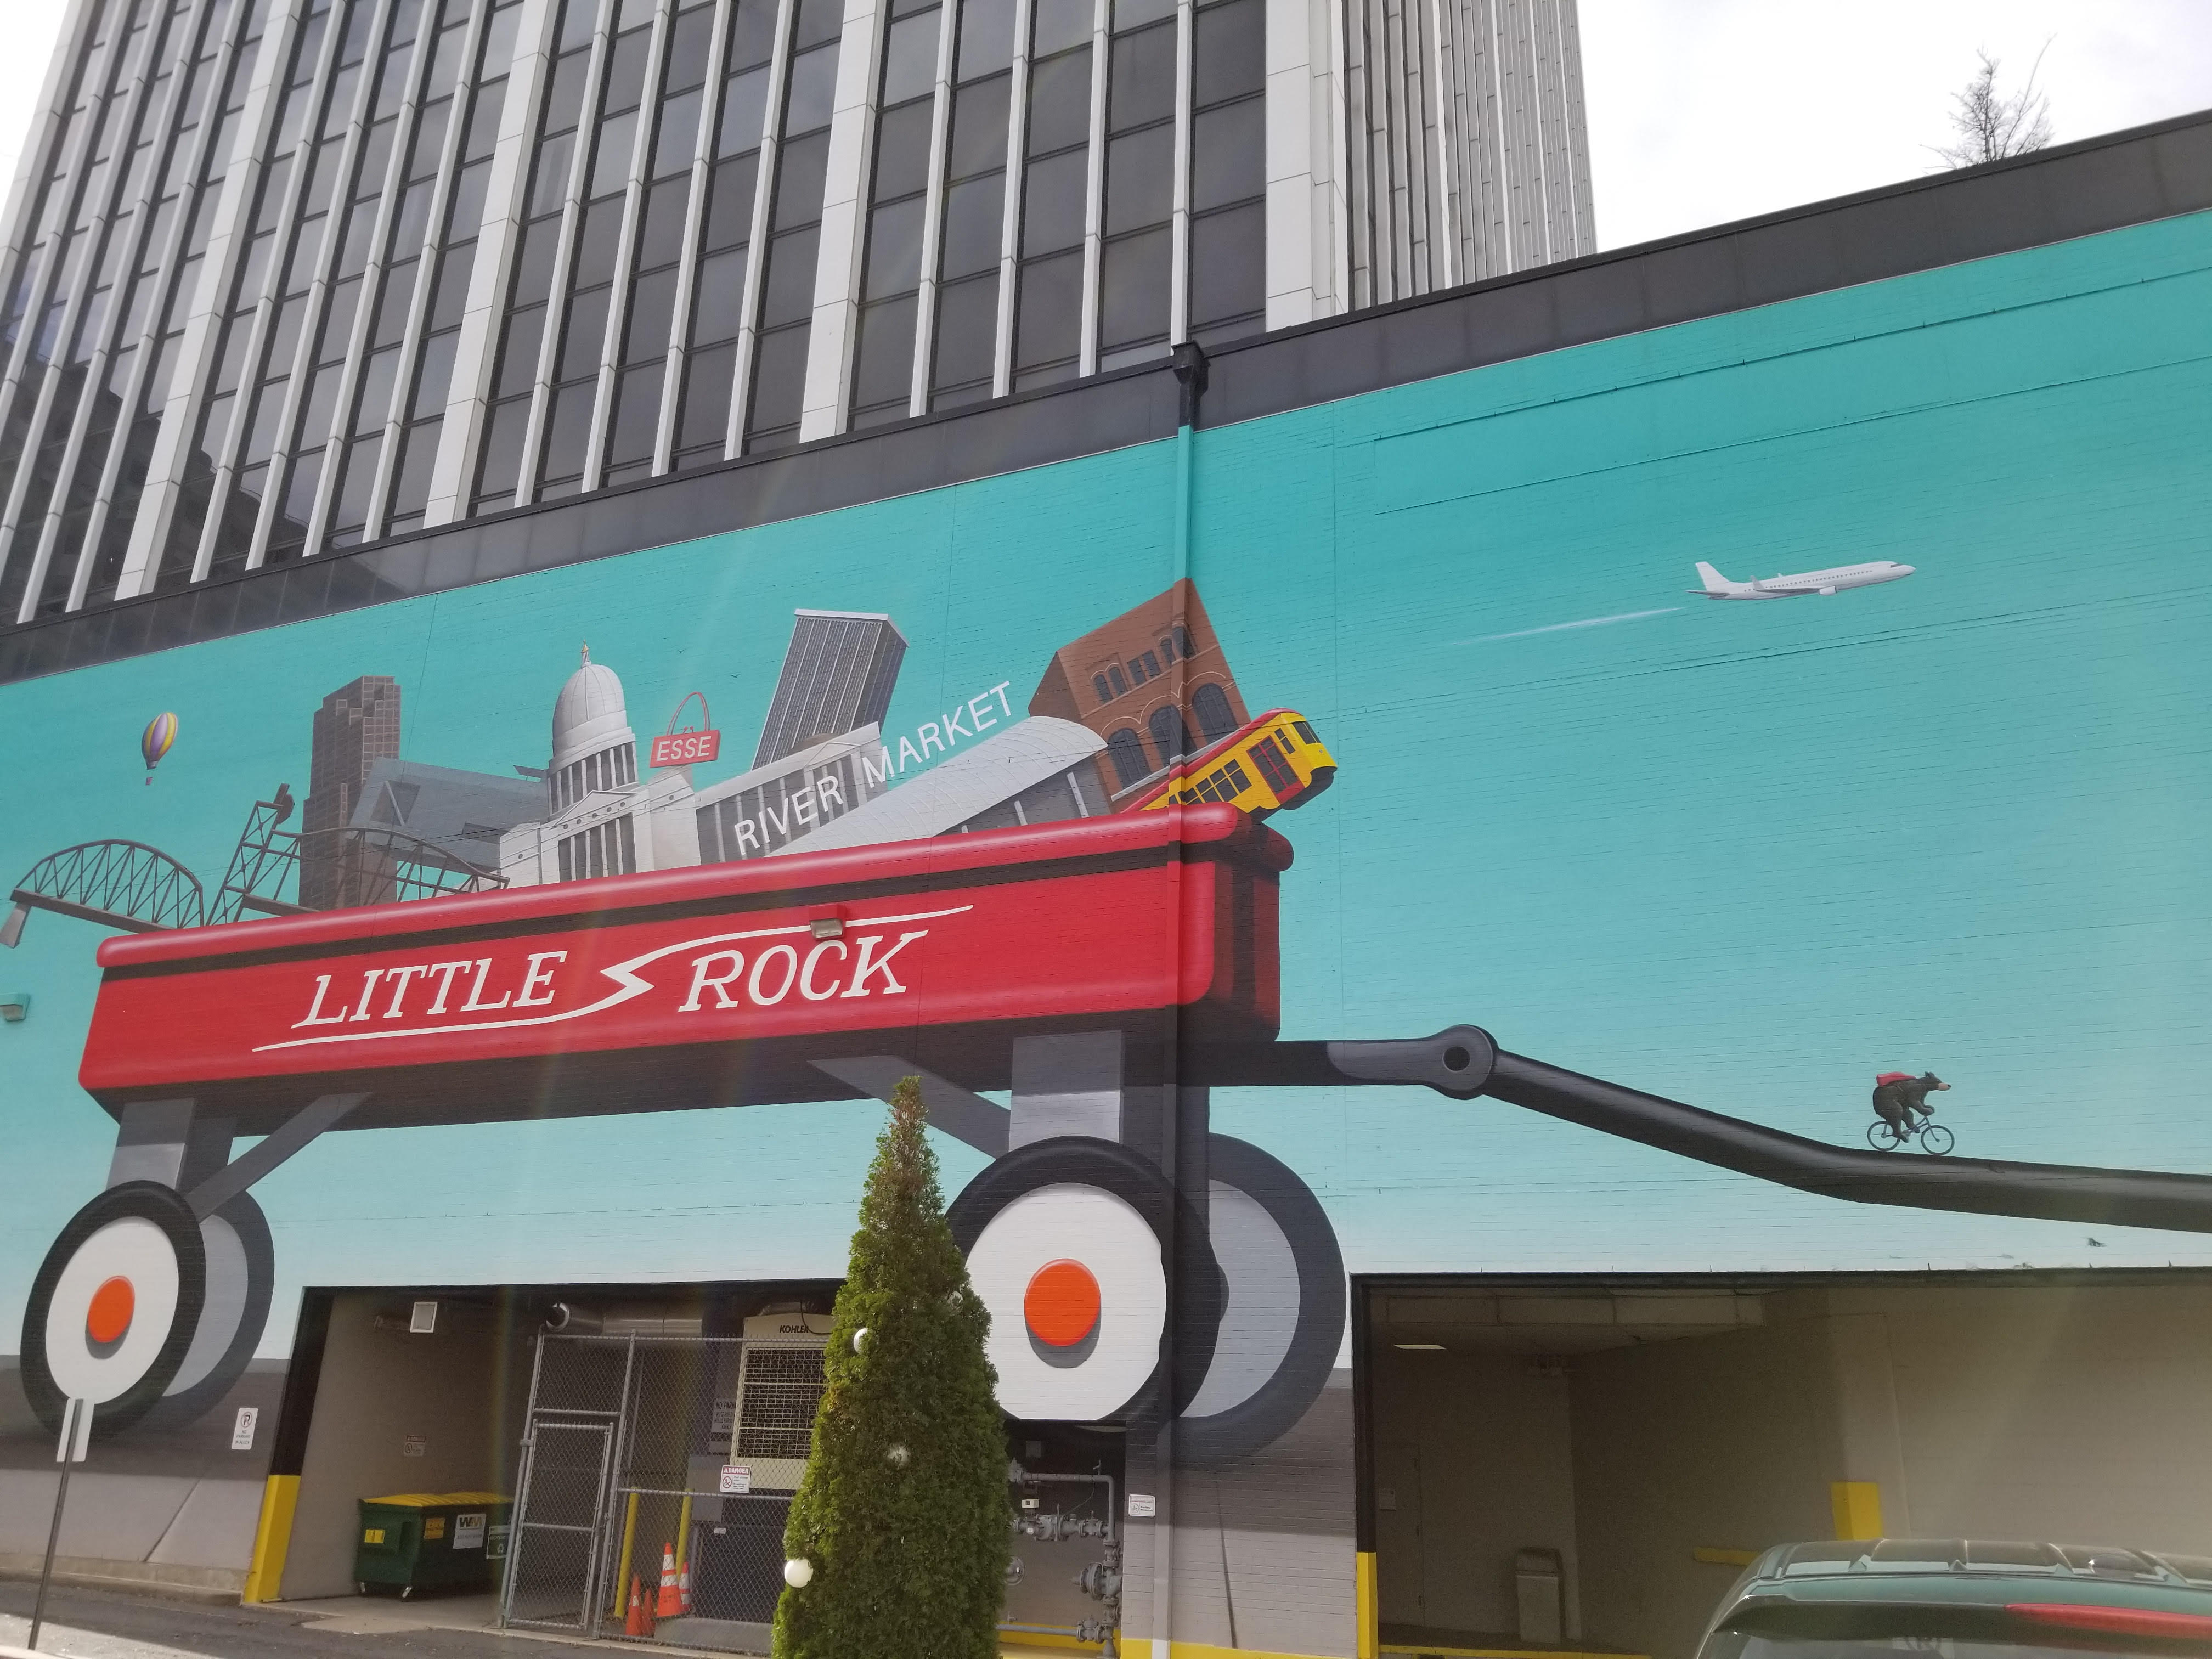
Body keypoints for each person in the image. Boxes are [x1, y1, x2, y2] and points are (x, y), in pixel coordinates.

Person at [1872, 1071, 1950, 1141]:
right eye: (1937, 1083)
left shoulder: (1922, 1088)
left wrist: (1925, 1108)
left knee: (1908, 1114)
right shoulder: (1916, 1086)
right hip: (1883, 1100)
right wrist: (1924, 1110)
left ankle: (1911, 1126)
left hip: (1896, 1100)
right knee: (1897, 1110)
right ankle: (1897, 1132)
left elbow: (1920, 1103)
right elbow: (1914, 1102)